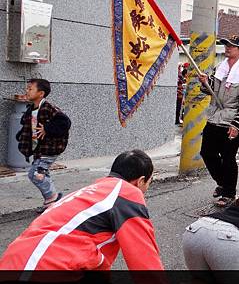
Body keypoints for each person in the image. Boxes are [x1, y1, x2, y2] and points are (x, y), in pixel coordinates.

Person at [0, 150, 163, 270]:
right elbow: (146, 265)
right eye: (150, 181)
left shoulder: (91, 192)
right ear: (141, 181)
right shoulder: (127, 193)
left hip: (15, 261)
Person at [199, 35, 239, 207]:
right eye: (226, 45)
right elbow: (209, 90)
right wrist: (205, 82)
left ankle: (229, 193)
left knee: (228, 157)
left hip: (233, 120)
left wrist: (237, 125)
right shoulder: (219, 69)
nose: (228, 48)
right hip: (215, 116)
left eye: (232, 46)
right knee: (207, 153)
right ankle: (223, 183)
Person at [16, 78, 71, 213]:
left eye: (30, 89)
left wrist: (47, 128)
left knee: (36, 174)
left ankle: (53, 199)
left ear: (41, 93)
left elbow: (65, 122)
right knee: (41, 174)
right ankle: (51, 202)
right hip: (39, 149)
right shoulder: (31, 109)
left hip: (50, 148)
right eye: (27, 88)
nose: (27, 91)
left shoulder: (48, 107)